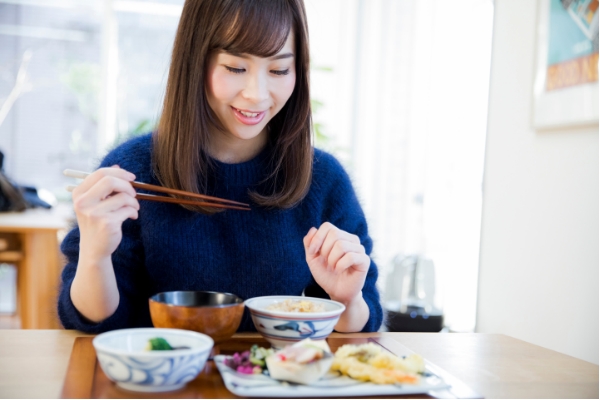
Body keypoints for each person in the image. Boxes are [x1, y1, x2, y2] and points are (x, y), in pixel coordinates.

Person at [58, 0, 383, 333]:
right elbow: (95, 318)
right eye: (235, 68)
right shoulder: (133, 172)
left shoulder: (322, 180)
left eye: (279, 70)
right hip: (168, 378)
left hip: (272, 379)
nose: (257, 95)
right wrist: (94, 255)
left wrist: (344, 299)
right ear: (196, 61)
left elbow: (363, 318)